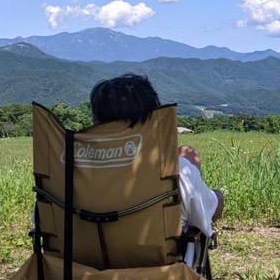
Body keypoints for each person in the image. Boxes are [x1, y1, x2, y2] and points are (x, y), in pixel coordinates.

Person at [89, 73, 223, 238]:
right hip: (160, 261)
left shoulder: (68, 173)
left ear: (96, 122)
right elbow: (213, 208)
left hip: (79, 262)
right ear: (153, 119)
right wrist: (218, 195)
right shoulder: (175, 171)